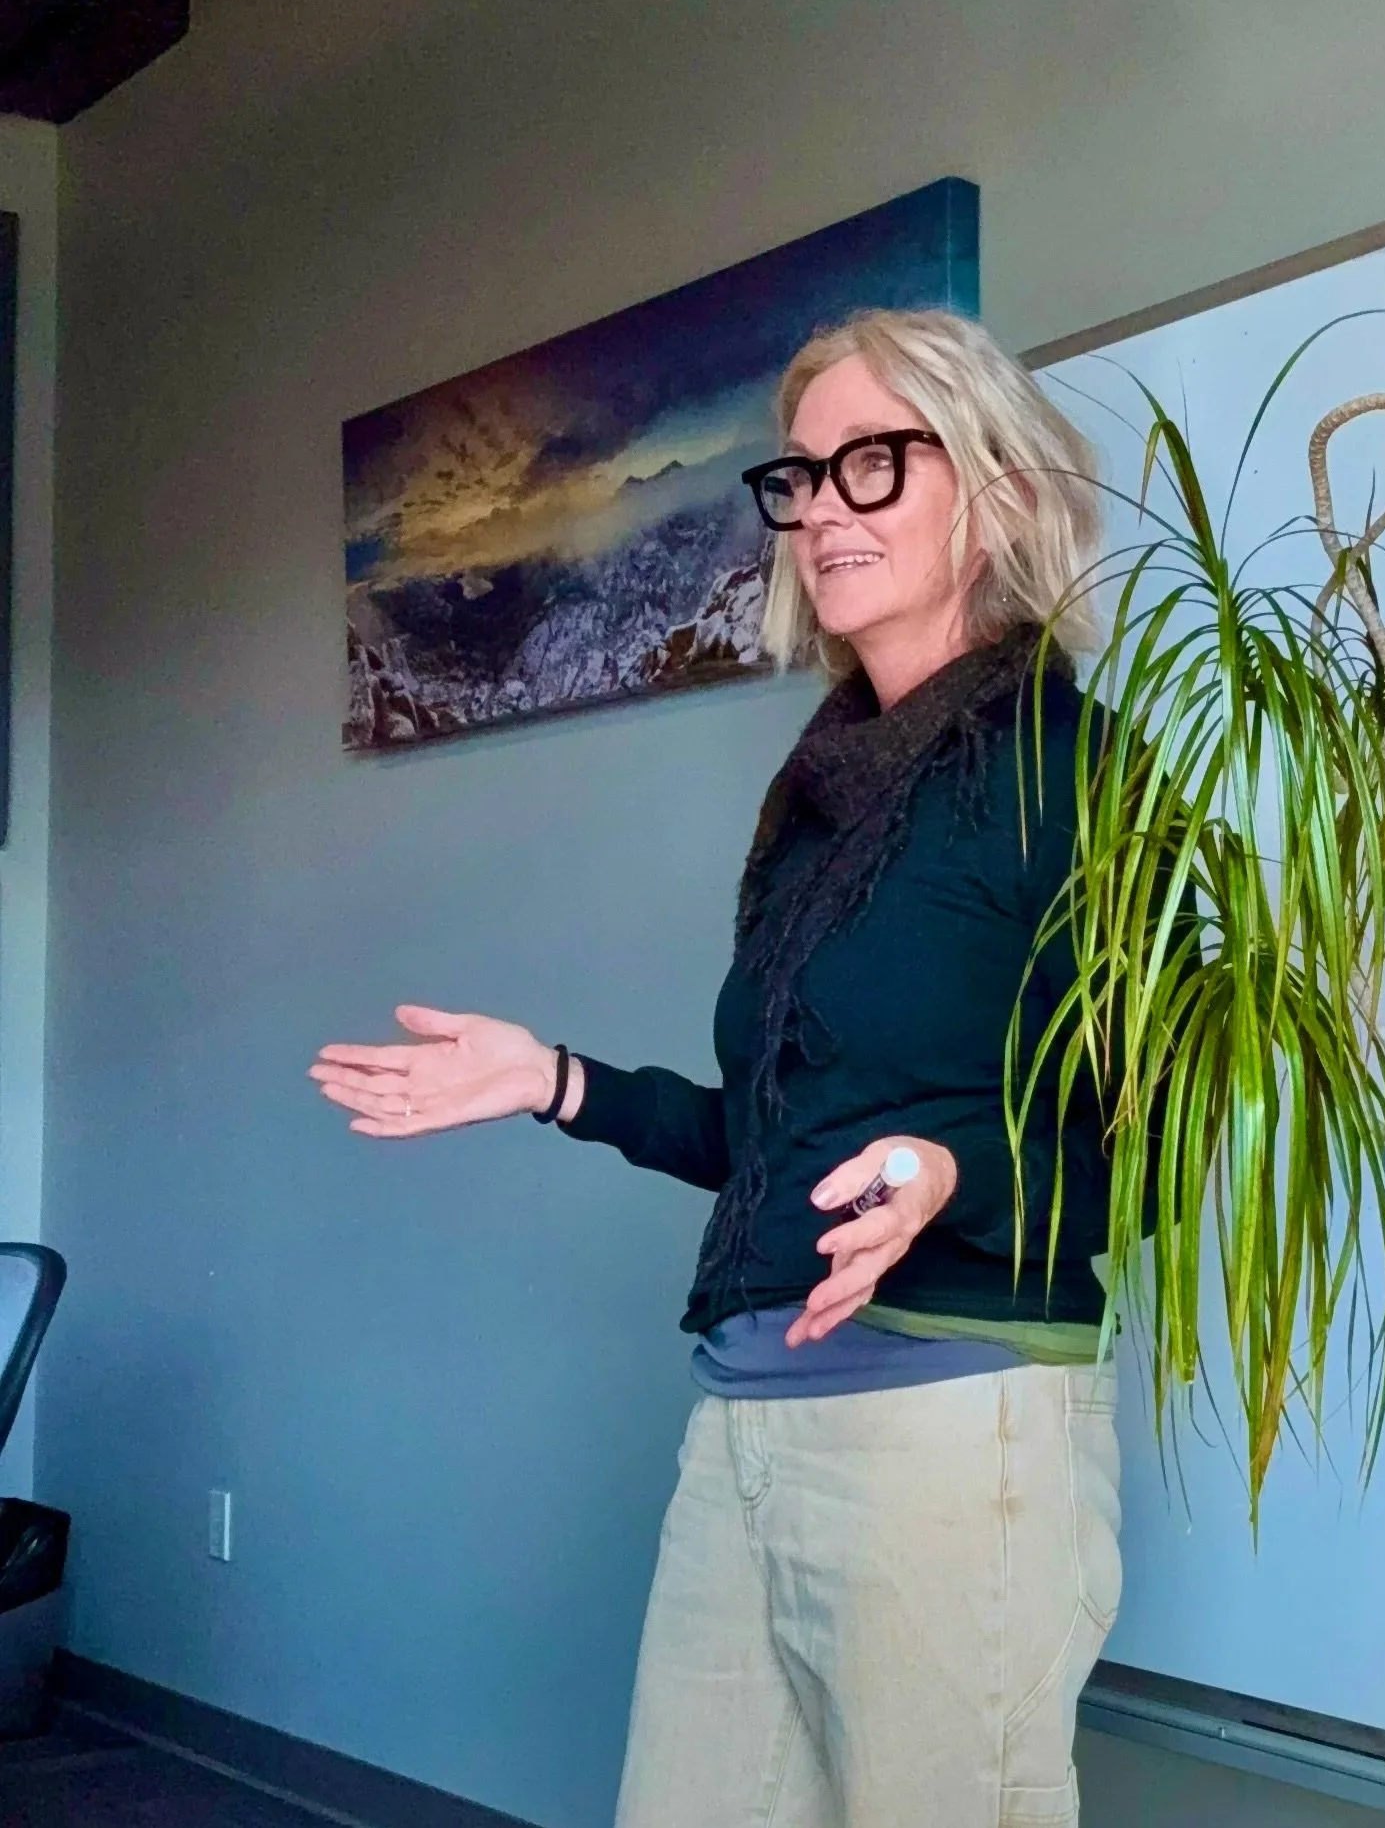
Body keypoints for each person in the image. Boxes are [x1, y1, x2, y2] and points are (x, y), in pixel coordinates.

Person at [311, 307, 1122, 1828]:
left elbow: (1175, 1117)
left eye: (872, 462)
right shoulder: (818, 801)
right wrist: (556, 1080)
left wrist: (950, 1168)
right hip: (743, 1417)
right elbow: (773, 1134)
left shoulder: (1073, 773)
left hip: (949, 1426)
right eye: (801, 475)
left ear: (996, 485)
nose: (819, 507)